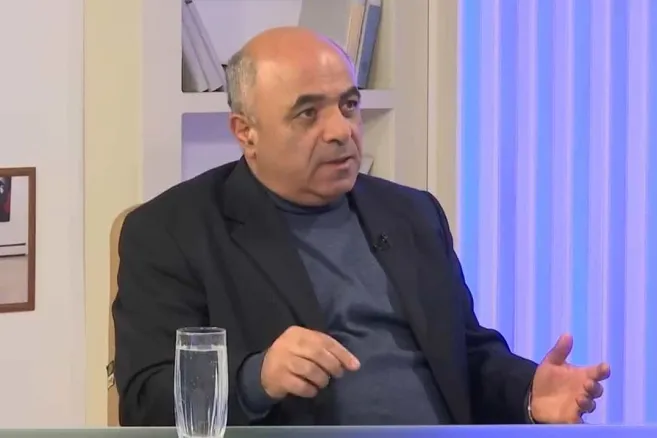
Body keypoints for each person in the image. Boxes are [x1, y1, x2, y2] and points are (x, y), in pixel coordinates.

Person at [112, 26, 610, 427]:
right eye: (308, 113)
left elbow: (465, 355)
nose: (341, 131)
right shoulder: (172, 232)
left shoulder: (412, 214)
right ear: (246, 132)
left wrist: (529, 392)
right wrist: (255, 378)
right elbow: (145, 402)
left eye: (348, 105)